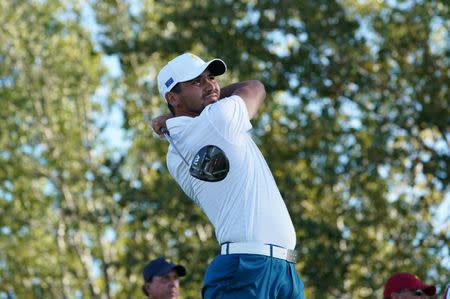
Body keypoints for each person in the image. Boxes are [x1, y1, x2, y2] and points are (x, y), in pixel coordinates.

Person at [151, 52, 304, 299]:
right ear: (172, 97)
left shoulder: (176, 153)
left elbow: (193, 122)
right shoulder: (218, 119)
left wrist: (174, 115)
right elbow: (254, 87)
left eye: (210, 77)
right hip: (247, 268)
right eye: (197, 82)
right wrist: (179, 114)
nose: (211, 85)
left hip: (279, 269)